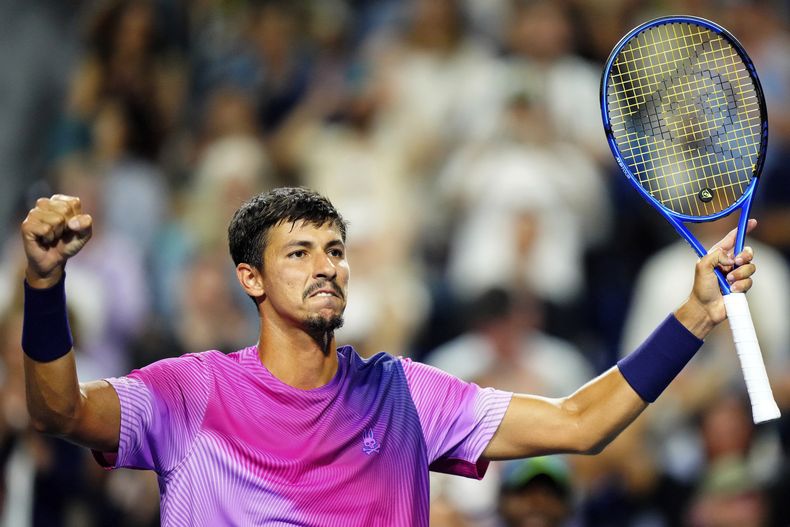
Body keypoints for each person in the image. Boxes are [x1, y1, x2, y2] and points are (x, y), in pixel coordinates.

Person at [19, 187, 758, 526]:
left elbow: (579, 422)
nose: (327, 266)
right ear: (250, 278)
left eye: (336, 251)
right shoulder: (191, 391)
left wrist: (691, 316)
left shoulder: (404, 395)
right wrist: (46, 284)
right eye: (300, 252)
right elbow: (58, 408)